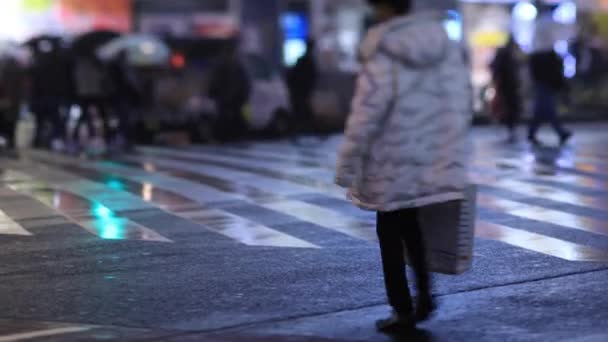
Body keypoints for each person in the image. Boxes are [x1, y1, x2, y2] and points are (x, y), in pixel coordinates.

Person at [335, 0, 471, 333]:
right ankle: (424, 297)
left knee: (390, 233)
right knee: (412, 226)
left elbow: (368, 111)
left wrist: (347, 161)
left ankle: (402, 308)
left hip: (389, 158)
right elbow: (457, 99)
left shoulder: (383, 46)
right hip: (424, 152)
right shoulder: (439, 41)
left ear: (384, 9)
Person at [528, 31, 572, 146]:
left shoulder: (542, 54)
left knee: (540, 111)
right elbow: (553, 71)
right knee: (549, 109)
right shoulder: (541, 55)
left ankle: (532, 133)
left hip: (546, 84)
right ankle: (560, 132)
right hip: (544, 85)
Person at [208, 40, 251, 141]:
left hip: (230, 101)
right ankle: (229, 137)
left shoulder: (231, 67)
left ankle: (229, 137)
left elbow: (244, 84)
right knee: (230, 121)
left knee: (231, 121)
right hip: (229, 101)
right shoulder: (231, 67)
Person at [491, 36, 523, 143]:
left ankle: (509, 128)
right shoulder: (507, 55)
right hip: (507, 86)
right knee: (510, 107)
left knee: (509, 108)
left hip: (507, 86)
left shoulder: (504, 54)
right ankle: (509, 127)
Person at [287, 40, 319, 135]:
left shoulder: (303, 60)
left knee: (301, 109)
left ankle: (302, 128)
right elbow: (310, 77)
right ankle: (303, 128)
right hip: (300, 90)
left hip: (300, 90)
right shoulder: (306, 61)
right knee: (302, 109)